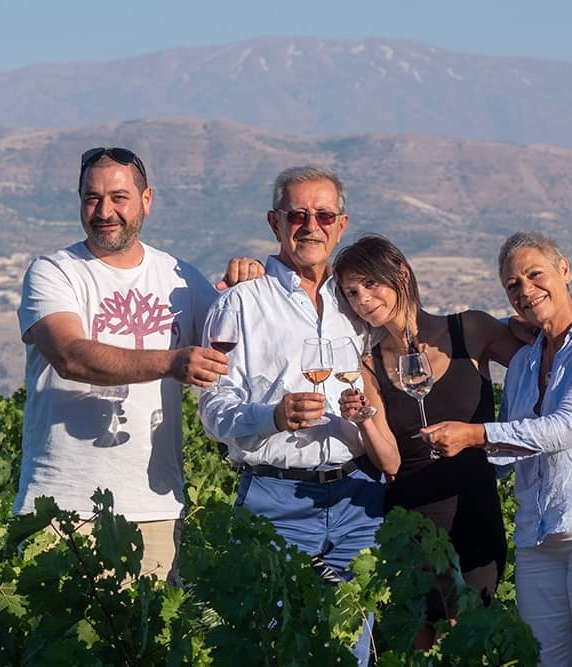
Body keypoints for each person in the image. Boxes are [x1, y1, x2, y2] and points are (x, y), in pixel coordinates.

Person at [333, 235, 572, 647]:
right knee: (419, 643)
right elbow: (390, 463)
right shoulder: (368, 363)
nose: (363, 299)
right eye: (352, 292)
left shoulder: (468, 329)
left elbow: (549, 355)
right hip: (412, 519)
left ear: (401, 274)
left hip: (474, 510)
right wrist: (364, 418)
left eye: (371, 284)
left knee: (466, 640)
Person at [15, 146, 262, 583]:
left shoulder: (179, 277)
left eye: (118, 197)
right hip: (59, 510)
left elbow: (237, 350)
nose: (104, 211)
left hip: (154, 508)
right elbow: (70, 355)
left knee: (150, 649)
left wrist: (246, 292)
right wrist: (172, 362)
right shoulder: (54, 273)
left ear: (147, 200)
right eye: (92, 198)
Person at [422, 231, 572, 667]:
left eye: (535, 275)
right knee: (547, 661)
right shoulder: (525, 364)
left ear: (563, 270)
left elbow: (568, 428)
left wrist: (472, 435)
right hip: (539, 535)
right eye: (513, 285)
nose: (526, 291)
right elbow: (510, 451)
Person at [198, 166, 383, 666]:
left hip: (357, 498)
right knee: (275, 647)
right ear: (274, 222)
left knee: (354, 648)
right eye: (297, 214)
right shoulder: (238, 304)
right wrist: (271, 417)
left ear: (341, 224)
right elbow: (213, 409)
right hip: (274, 498)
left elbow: (423, 337)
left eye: (323, 214)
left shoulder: (357, 303)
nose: (311, 225)